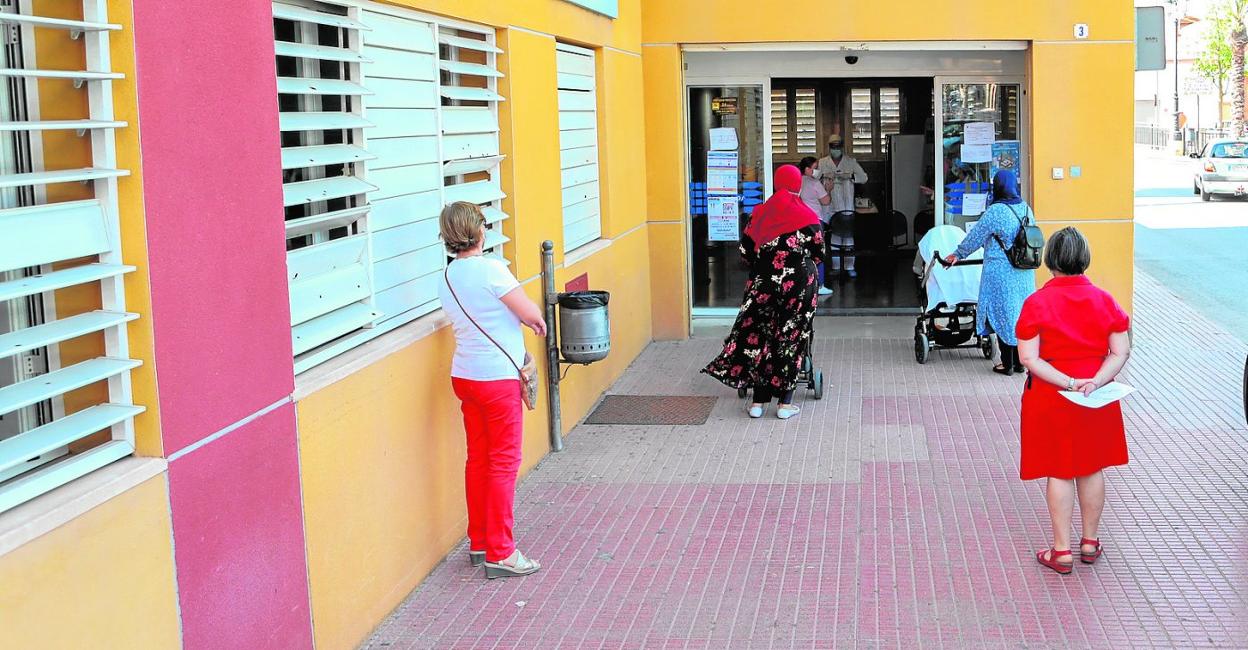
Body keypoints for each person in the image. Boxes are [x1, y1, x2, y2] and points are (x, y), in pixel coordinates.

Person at [437, 201, 548, 579]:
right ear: (479, 231)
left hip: (465, 376)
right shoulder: (492, 269)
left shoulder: (447, 276)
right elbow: (530, 313)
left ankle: (480, 540)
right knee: (503, 462)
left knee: (479, 460)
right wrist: (535, 323)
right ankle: (502, 551)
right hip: (497, 378)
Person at [1015, 227, 1131, 574]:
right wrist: (1095, 381)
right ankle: (1090, 541)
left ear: (1049, 261)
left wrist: (1068, 382)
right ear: (1085, 259)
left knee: (1060, 470)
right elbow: (1120, 350)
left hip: (1052, 396)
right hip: (1096, 396)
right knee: (1091, 466)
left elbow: (1028, 358)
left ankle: (1061, 550)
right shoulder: (1104, 299)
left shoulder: (1037, 302)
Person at [703, 165, 823, 420]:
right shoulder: (808, 216)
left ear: (777, 184)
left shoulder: (759, 214)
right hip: (799, 286)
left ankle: (758, 403)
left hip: (763, 284)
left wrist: (766, 263)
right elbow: (819, 252)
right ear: (797, 185)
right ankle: (785, 404)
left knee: (761, 336)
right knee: (791, 338)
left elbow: (746, 253)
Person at [943, 169, 1035, 375]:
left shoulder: (996, 211)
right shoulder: (1026, 209)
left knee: (1003, 314)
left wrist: (957, 254)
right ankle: (1020, 362)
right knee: (1019, 315)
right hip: (1024, 272)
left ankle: (1007, 363)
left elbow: (976, 236)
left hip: (1001, 271)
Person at [819, 135, 868, 278]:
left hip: (846, 204)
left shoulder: (850, 162)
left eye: (838, 146)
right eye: (833, 146)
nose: (835, 149)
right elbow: (814, 178)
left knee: (847, 236)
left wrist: (851, 176)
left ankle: (849, 266)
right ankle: (835, 266)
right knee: (835, 235)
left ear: (842, 147)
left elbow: (864, 178)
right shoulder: (822, 163)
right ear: (829, 147)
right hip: (831, 204)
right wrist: (824, 176)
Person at [797, 155, 834, 296]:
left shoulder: (797, 181)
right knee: (818, 253)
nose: (818, 170)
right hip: (814, 222)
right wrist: (829, 189)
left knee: (803, 254)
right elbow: (825, 201)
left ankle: (804, 284)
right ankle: (819, 285)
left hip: (800, 221)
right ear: (807, 169)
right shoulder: (814, 183)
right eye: (815, 168)